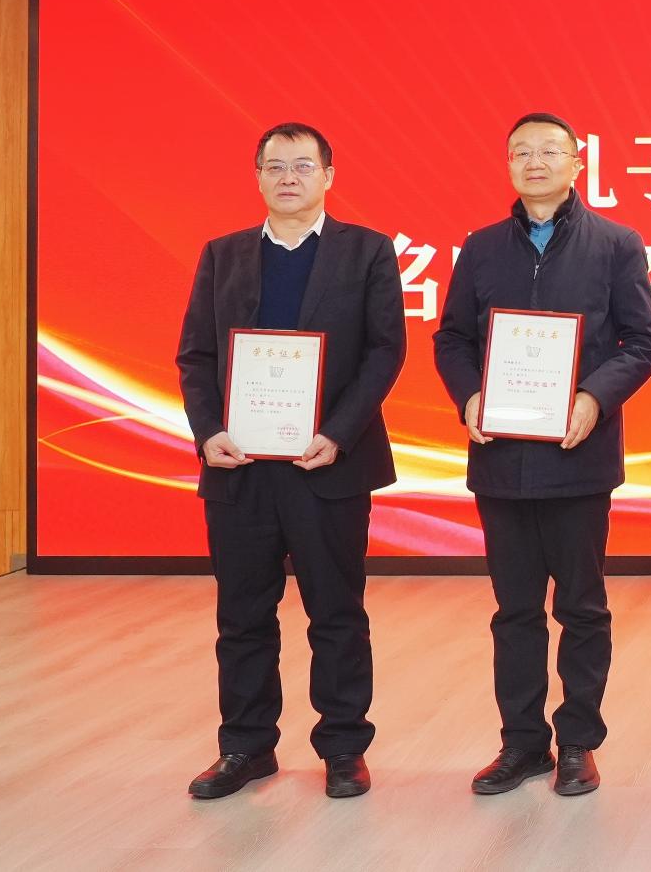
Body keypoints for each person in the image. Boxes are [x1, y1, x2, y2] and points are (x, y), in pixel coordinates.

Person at [433, 112, 651, 797]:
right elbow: (452, 338)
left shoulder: (616, 244)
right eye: (521, 152)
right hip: (501, 460)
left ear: (576, 163)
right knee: (514, 611)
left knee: (582, 608)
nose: (535, 162)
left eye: (549, 151)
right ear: (508, 165)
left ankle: (578, 743)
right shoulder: (481, 248)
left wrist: (594, 397)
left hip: (576, 458)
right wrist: (470, 395)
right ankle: (523, 743)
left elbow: (644, 341)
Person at [176, 122, 406, 800]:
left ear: (328, 176)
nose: (288, 178)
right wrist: (209, 431)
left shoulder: (367, 250)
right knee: (242, 614)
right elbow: (196, 355)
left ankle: (343, 746)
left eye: (303, 166)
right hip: (239, 466)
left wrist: (338, 432)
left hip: (329, 464)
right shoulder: (223, 254)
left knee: (336, 611)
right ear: (257, 177)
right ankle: (245, 747)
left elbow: (385, 351)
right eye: (274, 166)